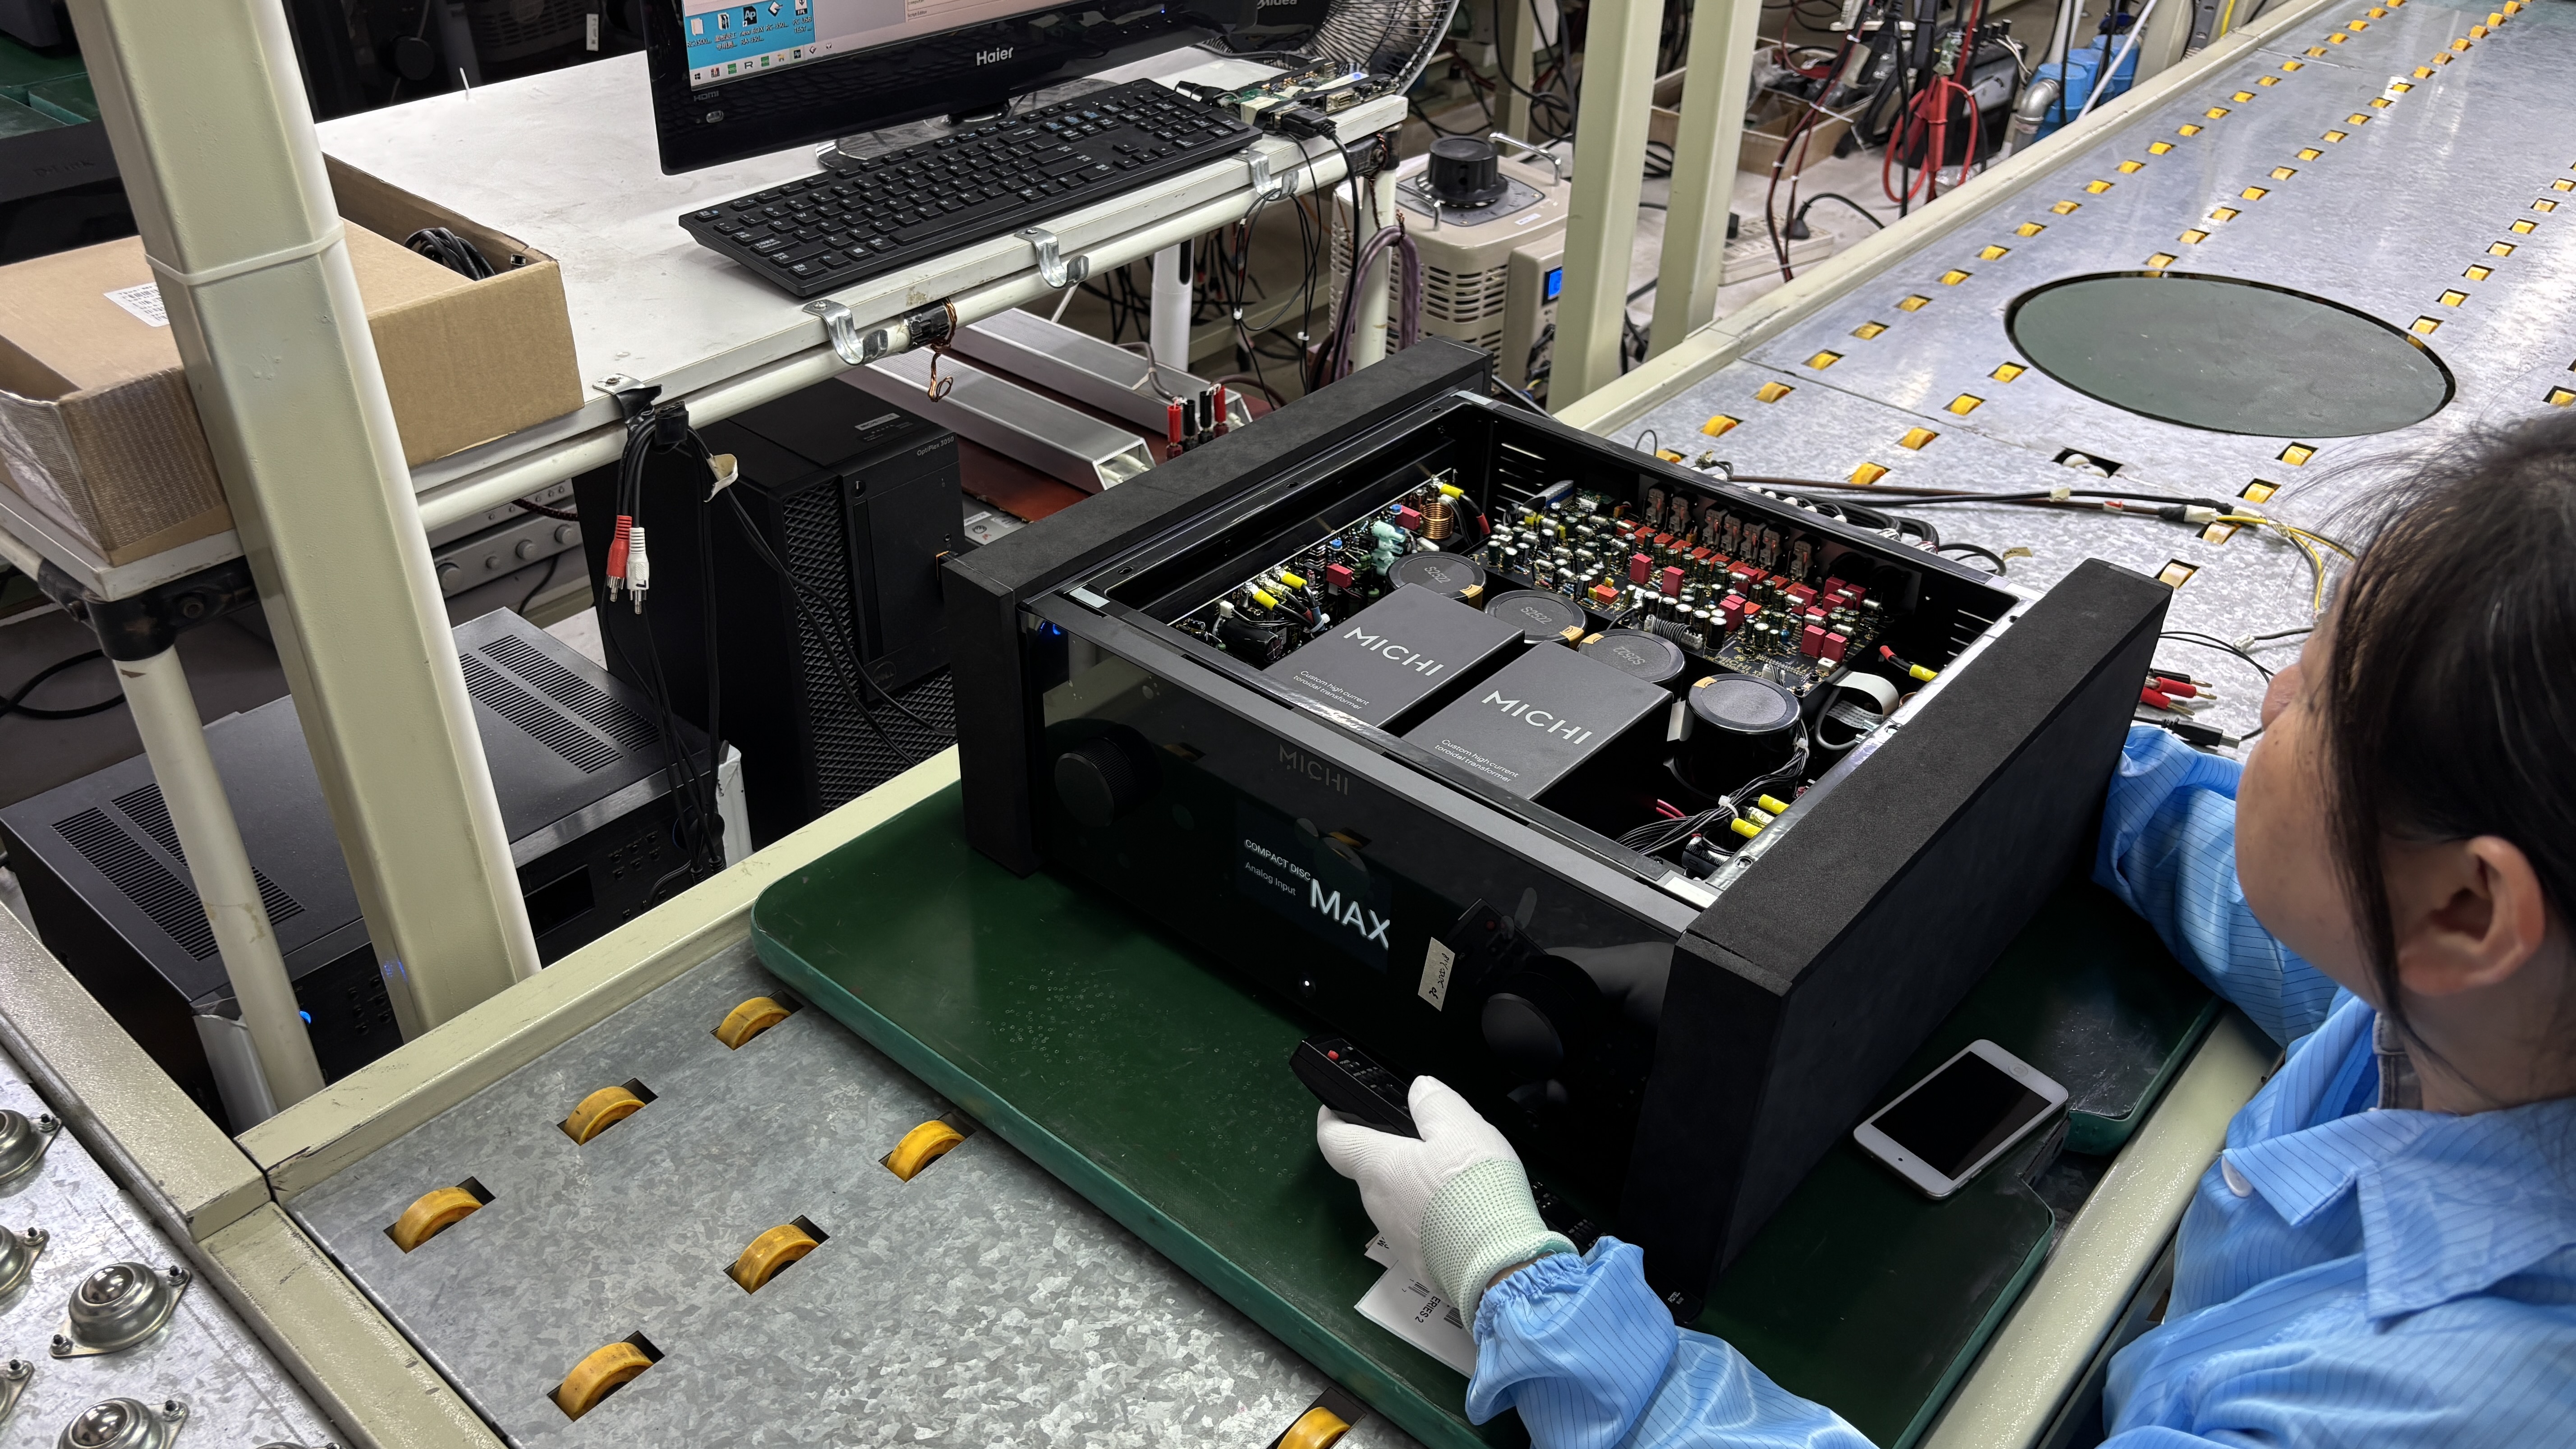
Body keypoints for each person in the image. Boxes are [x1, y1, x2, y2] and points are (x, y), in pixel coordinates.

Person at [1316, 413, 2576, 1447]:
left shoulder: (2413, 1409)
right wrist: (1969, 766)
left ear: (2469, 910)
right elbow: (2218, 864)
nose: (2277, 693)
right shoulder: (2492, 1015)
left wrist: (1518, 1284)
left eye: (2325, 697)